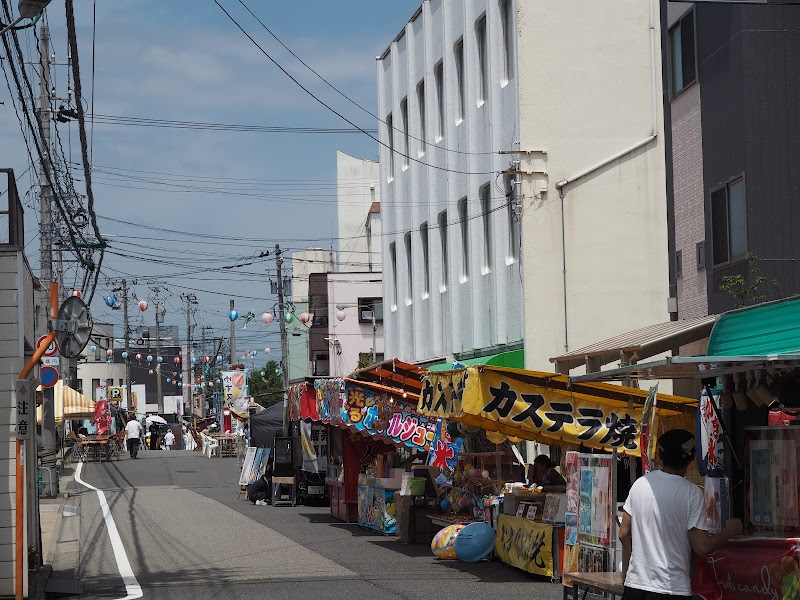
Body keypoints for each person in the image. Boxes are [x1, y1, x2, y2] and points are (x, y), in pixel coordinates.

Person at [619, 429, 744, 600]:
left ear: (661, 456)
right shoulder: (691, 493)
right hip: (671, 589)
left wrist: (640, 562)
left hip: (634, 587)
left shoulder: (640, 484)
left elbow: (624, 533)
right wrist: (730, 530)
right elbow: (702, 547)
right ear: (691, 458)